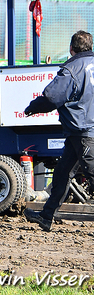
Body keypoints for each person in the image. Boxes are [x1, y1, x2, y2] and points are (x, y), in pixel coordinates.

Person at [23, 30, 94, 231]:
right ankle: (47, 216)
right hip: (78, 133)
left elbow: (53, 97)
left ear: (71, 49)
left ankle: (47, 215)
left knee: (92, 174)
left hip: (84, 131)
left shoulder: (72, 69)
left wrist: (32, 108)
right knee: (62, 173)